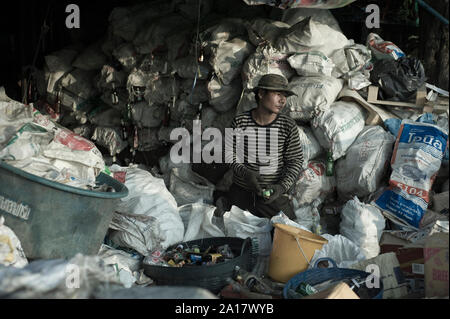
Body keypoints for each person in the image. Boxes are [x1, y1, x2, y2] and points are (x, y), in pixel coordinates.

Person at [219, 74, 304, 220]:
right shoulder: (240, 122)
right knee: (234, 231)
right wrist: (246, 173)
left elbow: (295, 161)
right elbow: (228, 153)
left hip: (271, 195)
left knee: (288, 231)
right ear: (261, 94)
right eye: (278, 94)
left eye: (285, 95)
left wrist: (281, 187)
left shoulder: (287, 126)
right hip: (241, 192)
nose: (282, 100)